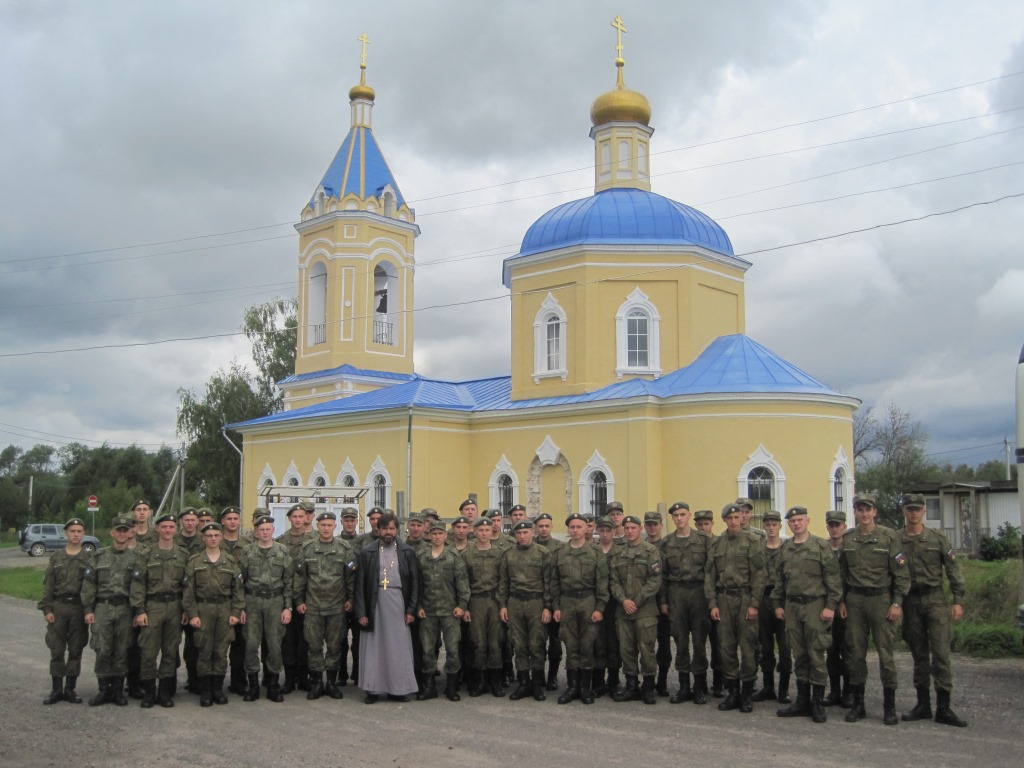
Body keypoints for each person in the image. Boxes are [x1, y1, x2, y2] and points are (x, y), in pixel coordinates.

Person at [839, 492, 910, 725]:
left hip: (881, 600)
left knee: (885, 654)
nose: (864, 514)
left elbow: (901, 574)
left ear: (874, 512)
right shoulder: (848, 539)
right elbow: (842, 573)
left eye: (868, 509)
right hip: (855, 601)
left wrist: (897, 603)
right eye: (860, 510)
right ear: (855, 512)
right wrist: (841, 601)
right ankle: (858, 704)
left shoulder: (888, 537)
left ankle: (889, 706)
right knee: (856, 654)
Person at [897, 493, 968, 727]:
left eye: (917, 509)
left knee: (941, 654)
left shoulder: (937, 539)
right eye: (910, 509)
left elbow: (953, 570)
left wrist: (958, 600)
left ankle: (944, 708)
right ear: (904, 511)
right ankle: (923, 705)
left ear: (924, 512)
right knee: (918, 654)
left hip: (935, 599)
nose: (913, 513)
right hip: (910, 601)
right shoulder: (896, 540)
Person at [772, 506, 842, 723]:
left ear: (808, 521)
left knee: (816, 653)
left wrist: (831, 605)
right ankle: (802, 701)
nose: (796, 524)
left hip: (815, 606)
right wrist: (777, 603)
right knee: (799, 654)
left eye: (800, 520)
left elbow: (833, 579)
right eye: (792, 521)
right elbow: (779, 579)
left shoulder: (820, 546)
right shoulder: (785, 548)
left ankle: (817, 702)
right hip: (792, 606)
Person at [705, 502, 765, 713]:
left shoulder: (752, 541)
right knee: (726, 646)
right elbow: (709, 576)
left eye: (737, 517)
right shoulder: (717, 544)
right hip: (724, 599)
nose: (733, 521)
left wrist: (755, 603)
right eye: (729, 518)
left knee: (748, 646)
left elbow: (759, 574)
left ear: (742, 518)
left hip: (745, 598)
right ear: (724, 520)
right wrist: (712, 603)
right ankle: (732, 692)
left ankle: (746, 692)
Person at [355, 512, 420, 703]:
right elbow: (359, 584)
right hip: (374, 603)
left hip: (398, 603)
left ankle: (398, 689)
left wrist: (411, 610)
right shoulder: (367, 552)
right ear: (379, 530)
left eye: (392, 528)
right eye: (385, 528)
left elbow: (415, 583)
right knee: (374, 648)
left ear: (397, 530)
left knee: (397, 647)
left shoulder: (407, 552)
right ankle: (373, 689)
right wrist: (362, 612)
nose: (388, 532)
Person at [130, 512, 189, 708]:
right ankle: (149, 692)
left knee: (170, 651)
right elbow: (138, 585)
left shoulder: (183, 555)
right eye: (164, 527)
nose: (167, 530)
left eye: (171, 527)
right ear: (157, 529)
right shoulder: (145, 555)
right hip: (152, 606)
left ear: (176, 530)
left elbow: (187, 585)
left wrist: (186, 609)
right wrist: (139, 610)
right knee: (148, 651)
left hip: (175, 606)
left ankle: (164, 692)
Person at [182, 521, 244, 707]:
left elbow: (238, 590)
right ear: (203, 538)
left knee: (221, 651)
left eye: (216, 535)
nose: (213, 539)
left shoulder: (230, 561)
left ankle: (217, 688)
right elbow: (188, 592)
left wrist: (236, 611)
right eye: (209, 536)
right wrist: (192, 614)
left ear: (221, 537)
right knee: (204, 650)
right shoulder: (194, 562)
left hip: (224, 609)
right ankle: (205, 690)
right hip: (203, 609)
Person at [293, 511, 354, 700]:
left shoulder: (344, 548)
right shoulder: (307, 548)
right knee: (314, 646)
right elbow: (300, 577)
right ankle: (317, 682)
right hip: (313, 606)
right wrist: (298, 601)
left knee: (335, 646)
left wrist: (351, 599)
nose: (326, 528)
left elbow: (351, 578)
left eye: (329, 525)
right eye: (323, 525)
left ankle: (332, 683)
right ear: (317, 526)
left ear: (335, 526)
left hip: (337, 606)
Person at [550, 513, 608, 704]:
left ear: (586, 529)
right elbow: (554, 582)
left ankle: (585, 687)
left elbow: (602, 582)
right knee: (570, 644)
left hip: (588, 601)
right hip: (567, 601)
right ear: (568, 529)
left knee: (587, 644)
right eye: (572, 527)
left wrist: (599, 607)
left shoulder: (595, 552)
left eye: (579, 527)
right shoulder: (560, 552)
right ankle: (572, 686)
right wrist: (556, 607)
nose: (575, 530)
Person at [658, 502, 713, 705]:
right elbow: (662, 575)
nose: (679, 518)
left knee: (699, 641)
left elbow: (711, 571)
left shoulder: (704, 540)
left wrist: (711, 599)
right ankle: (683, 686)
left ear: (689, 515)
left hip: (699, 593)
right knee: (680, 641)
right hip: (677, 594)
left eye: (682, 514)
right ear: (672, 518)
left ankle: (699, 686)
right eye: (676, 515)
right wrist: (663, 600)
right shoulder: (666, 543)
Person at [82, 515, 138, 707]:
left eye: (125, 530)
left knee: (122, 649)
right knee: (102, 649)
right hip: (103, 608)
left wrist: (137, 611)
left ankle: (118, 690)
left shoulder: (135, 559)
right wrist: (88, 609)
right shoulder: (99, 556)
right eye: (118, 530)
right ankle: (104, 689)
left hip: (125, 608)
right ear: (112, 532)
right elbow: (89, 584)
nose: (122, 534)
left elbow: (138, 587)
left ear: (130, 533)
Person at [238, 514, 293, 703]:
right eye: (261, 529)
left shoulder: (282, 551)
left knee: (275, 645)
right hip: (252, 601)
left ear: (273, 530)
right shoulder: (247, 552)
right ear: (256, 531)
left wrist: (288, 607)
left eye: (268, 529)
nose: (265, 532)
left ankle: (273, 685)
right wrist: (240, 608)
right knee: (251, 644)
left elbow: (289, 582)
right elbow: (239, 582)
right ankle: (253, 686)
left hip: (275, 601)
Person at [38, 517, 91, 705]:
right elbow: (48, 585)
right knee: (57, 649)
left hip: (79, 608)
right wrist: (46, 608)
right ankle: (56, 689)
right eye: (72, 531)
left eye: (79, 531)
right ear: (66, 533)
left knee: (76, 648)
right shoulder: (56, 558)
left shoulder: (89, 559)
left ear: (83, 534)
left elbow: (91, 588)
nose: (76, 534)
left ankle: (70, 688)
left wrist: (89, 610)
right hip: (58, 607)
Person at [610, 514, 663, 705]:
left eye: (633, 528)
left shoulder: (651, 552)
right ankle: (631, 685)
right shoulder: (618, 553)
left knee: (647, 648)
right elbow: (613, 581)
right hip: (623, 611)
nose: (630, 531)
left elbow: (654, 581)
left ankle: (648, 686)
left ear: (640, 529)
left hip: (645, 610)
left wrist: (636, 602)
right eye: (627, 528)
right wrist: (624, 600)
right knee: (626, 649)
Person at [416, 520, 470, 701]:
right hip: (428, 612)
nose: (437, 537)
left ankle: (451, 687)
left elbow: (462, 583)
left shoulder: (453, 556)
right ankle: (429, 686)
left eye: (440, 533)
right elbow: (417, 584)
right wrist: (418, 606)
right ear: (429, 535)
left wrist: (462, 605)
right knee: (427, 650)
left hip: (450, 612)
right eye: (434, 533)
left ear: (446, 535)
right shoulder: (422, 556)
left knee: (453, 650)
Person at [499, 519, 552, 702]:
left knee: (536, 644)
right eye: (519, 533)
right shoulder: (508, 554)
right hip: (515, 602)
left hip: (536, 602)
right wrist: (503, 605)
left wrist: (548, 607)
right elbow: (504, 582)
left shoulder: (542, 553)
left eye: (525, 532)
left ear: (532, 532)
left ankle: (536, 684)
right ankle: (523, 683)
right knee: (519, 644)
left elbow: (549, 582)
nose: (522, 536)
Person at [461, 517, 506, 697]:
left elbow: (504, 581)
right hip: (476, 602)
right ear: (474, 531)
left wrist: (503, 605)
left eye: (487, 530)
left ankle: (495, 681)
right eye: (480, 530)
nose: (484, 533)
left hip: (494, 601)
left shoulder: (500, 554)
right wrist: (465, 606)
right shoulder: (467, 555)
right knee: (478, 642)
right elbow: (463, 583)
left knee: (495, 642)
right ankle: (480, 681)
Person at [752, 509, 793, 705]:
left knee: (785, 647)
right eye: (767, 525)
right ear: (763, 527)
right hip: (763, 600)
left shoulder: (788, 549)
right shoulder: (757, 549)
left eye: (774, 524)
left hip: (782, 601)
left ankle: (783, 689)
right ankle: (768, 687)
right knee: (765, 646)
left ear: (779, 526)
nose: (771, 528)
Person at [276, 503, 313, 693]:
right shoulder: (281, 542)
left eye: (301, 516)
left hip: (308, 598)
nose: (298, 520)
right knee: (288, 640)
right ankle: (290, 678)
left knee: (305, 639)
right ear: (289, 518)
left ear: (306, 518)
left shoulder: (313, 540)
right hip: (287, 597)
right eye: (295, 516)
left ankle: (304, 677)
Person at [693, 508, 724, 697]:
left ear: (712, 524)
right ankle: (701, 682)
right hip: (699, 599)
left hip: (719, 599)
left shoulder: (720, 543)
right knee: (699, 642)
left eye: (706, 524)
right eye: (700, 524)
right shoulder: (693, 543)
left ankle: (719, 682)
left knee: (719, 642)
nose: (703, 527)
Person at [217, 506, 248, 696]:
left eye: (235, 518)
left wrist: (242, 606)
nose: (232, 522)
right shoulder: (214, 542)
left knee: (240, 645)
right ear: (223, 521)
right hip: (218, 601)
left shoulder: (247, 545)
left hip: (239, 601)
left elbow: (249, 578)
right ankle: (215, 683)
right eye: (229, 519)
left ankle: (238, 681)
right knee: (217, 645)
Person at [533, 512, 564, 691]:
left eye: (547, 526)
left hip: (554, 600)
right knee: (536, 641)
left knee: (555, 641)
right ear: (535, 528)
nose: (544, 529)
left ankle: (552, 676)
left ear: (551, 527)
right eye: (540, 526)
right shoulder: (529, 545)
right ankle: (537, 676)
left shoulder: (560, 547)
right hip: (536, 601)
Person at [643, 511, 672, 697]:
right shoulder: (640, 546)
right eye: (649, 524)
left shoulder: (668, 546)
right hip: (646, 602)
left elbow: (668, 575)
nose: (652, 527)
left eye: (655, 524)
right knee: (646, 643)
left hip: (664, 602)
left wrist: (665, 600)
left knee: (664, 642)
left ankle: (662, 681)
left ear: (661, 525)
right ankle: (647, 681)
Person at [822, 509, 850, 707]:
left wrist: (842, 601)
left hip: (847, 606)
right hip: (827, 606)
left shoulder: (850, 550)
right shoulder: (822, 549)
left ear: (844, 527)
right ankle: (834, 691)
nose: (834, 529)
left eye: (837, 525)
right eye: (831, 525)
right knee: (830, 649)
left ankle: (848, 691)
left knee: (848, 649)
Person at [593, 515, 622, 698]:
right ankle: (597, 682)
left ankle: (613, 681)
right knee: (597, 642)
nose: (604, 534)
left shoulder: (621, 552)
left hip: (615, 604)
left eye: (608, 531)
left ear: (613, 532)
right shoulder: (592, 551)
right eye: (602, 530)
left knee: (614, 642)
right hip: (596, 603)